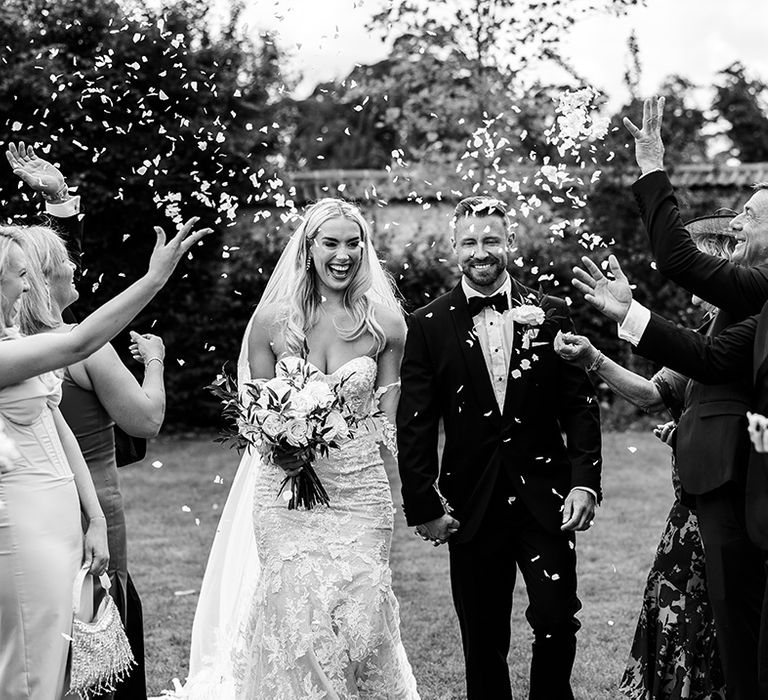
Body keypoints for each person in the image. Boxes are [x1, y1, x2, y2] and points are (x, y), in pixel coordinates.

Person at [181, 198, 418, 698]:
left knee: (363, 616)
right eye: (331, 243)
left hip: (360, 491)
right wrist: (278, 445)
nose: (343, 254)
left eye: (354, 244)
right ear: (309, 249)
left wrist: (419, 485)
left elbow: (388, 421)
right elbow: (255, 412)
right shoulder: (271, 322)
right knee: (297, 615)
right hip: (285, 495)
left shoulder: (387, 324)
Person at [396, 196, 602, 700]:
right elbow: (416, 423)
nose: (480, 252)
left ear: (509, 243)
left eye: (491, 240)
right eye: (469, 242)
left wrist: (584, 483)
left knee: (557, 618)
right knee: (482, 635)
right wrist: (424, 504)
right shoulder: (427, 324)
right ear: (454, 248)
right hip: (470, 502)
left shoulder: (550, 314)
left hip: (547, 499)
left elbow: (579, 406)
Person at [0, 210, 209, 699]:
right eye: (20, 275)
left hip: (63, 515)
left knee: (61, 658)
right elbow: (80, 340)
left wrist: (93, 517)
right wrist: (153, 280)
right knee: (30, 666)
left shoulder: (17, 340)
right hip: (22, 518)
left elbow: (59, 431)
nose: (29, 287)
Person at [618, 96, 768, 700]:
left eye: (751, 217)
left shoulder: (760, 287)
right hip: (738, 480)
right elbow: (704, 363)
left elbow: (678, 259)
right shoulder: (749, 299)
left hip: (746, 482)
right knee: (742, 637)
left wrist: (652, 168)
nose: (735, 223)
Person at [571, 251, 768, 698]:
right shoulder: (700, 336)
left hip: (733, 499)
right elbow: (652, 393)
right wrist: (594, 358)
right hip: (691, 504)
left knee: (724, 621)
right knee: (677, 609)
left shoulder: (752, 327)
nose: (694, 286)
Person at [8, 143, 163, 699]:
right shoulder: (68, 348)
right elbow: (144, 420)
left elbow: (44, 263)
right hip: (77, 507)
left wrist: (57, 202)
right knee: (100, 631)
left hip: (33, 515)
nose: (77, 267)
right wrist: (157, 364)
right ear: (35, 280)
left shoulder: (20, 343)